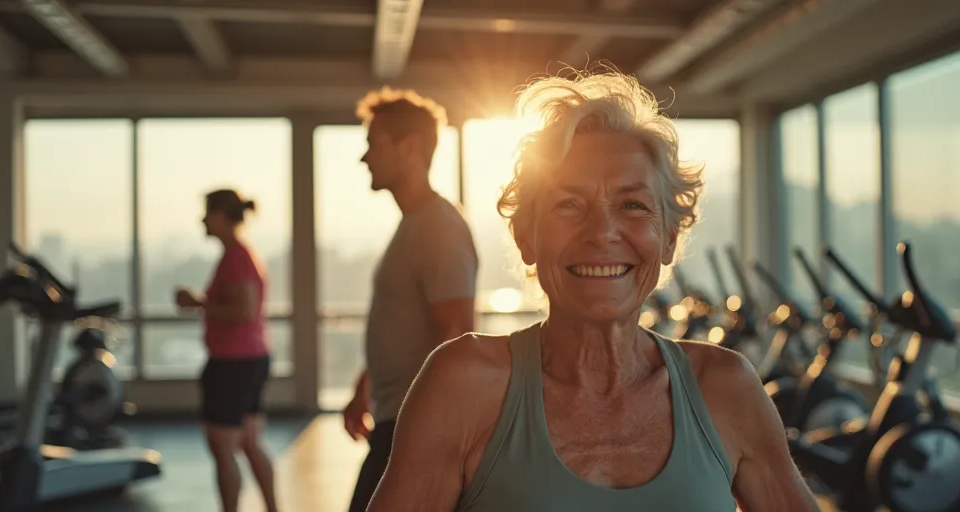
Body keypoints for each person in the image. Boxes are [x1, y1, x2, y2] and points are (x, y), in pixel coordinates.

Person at [367, 71, 822, 511]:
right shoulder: (462, 386)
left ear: (668, 239)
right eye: (569, 204)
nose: (602, 232)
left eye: (632, 205)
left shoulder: (727, 388)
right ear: (527, 236)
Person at [343, 87, 479, 512]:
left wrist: (430, 439)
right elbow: (403, 321)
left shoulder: (439, 227)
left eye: (374, 144)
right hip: (396, 420)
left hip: (411, 427)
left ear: (410, 148)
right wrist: (365, 386)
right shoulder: (414, 226)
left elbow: (456, 335)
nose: (365, 157)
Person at [175, 189, 279, 512]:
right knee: (249, 442)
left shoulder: (237, 257)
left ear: (221, 215)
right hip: (249, 359)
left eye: (208, 212)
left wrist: (198, 303)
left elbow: (243, 311)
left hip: (234, 363)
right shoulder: (241, 255)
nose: (203, 219)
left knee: (223, 448)